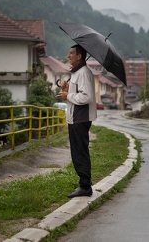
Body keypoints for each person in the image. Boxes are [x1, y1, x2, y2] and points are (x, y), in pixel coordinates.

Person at [58, 44, 97, 198]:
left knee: (80, 152)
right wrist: (68, 88)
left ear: (79, 56)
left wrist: (67, 96)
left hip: (81, 118)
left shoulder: (84, 72)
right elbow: (79, 92)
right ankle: (84, 184)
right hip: (75, 118)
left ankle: (85, 186)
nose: (69, 55)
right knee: (77, 152)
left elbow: (87, 97)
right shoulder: (76, 72)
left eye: (71, 53)